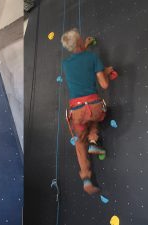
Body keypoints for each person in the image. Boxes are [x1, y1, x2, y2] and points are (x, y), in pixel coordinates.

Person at [61, 28, 116, 195]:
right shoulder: (92, 58)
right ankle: (94, 139)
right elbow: (104, 85)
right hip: (95, 107)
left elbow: (79, 58)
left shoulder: (66, 64)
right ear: (79, 42)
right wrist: (106, 71)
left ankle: (86, 179)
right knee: (94, 117)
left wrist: (85, 44)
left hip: (77, 110)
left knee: (79, 142)